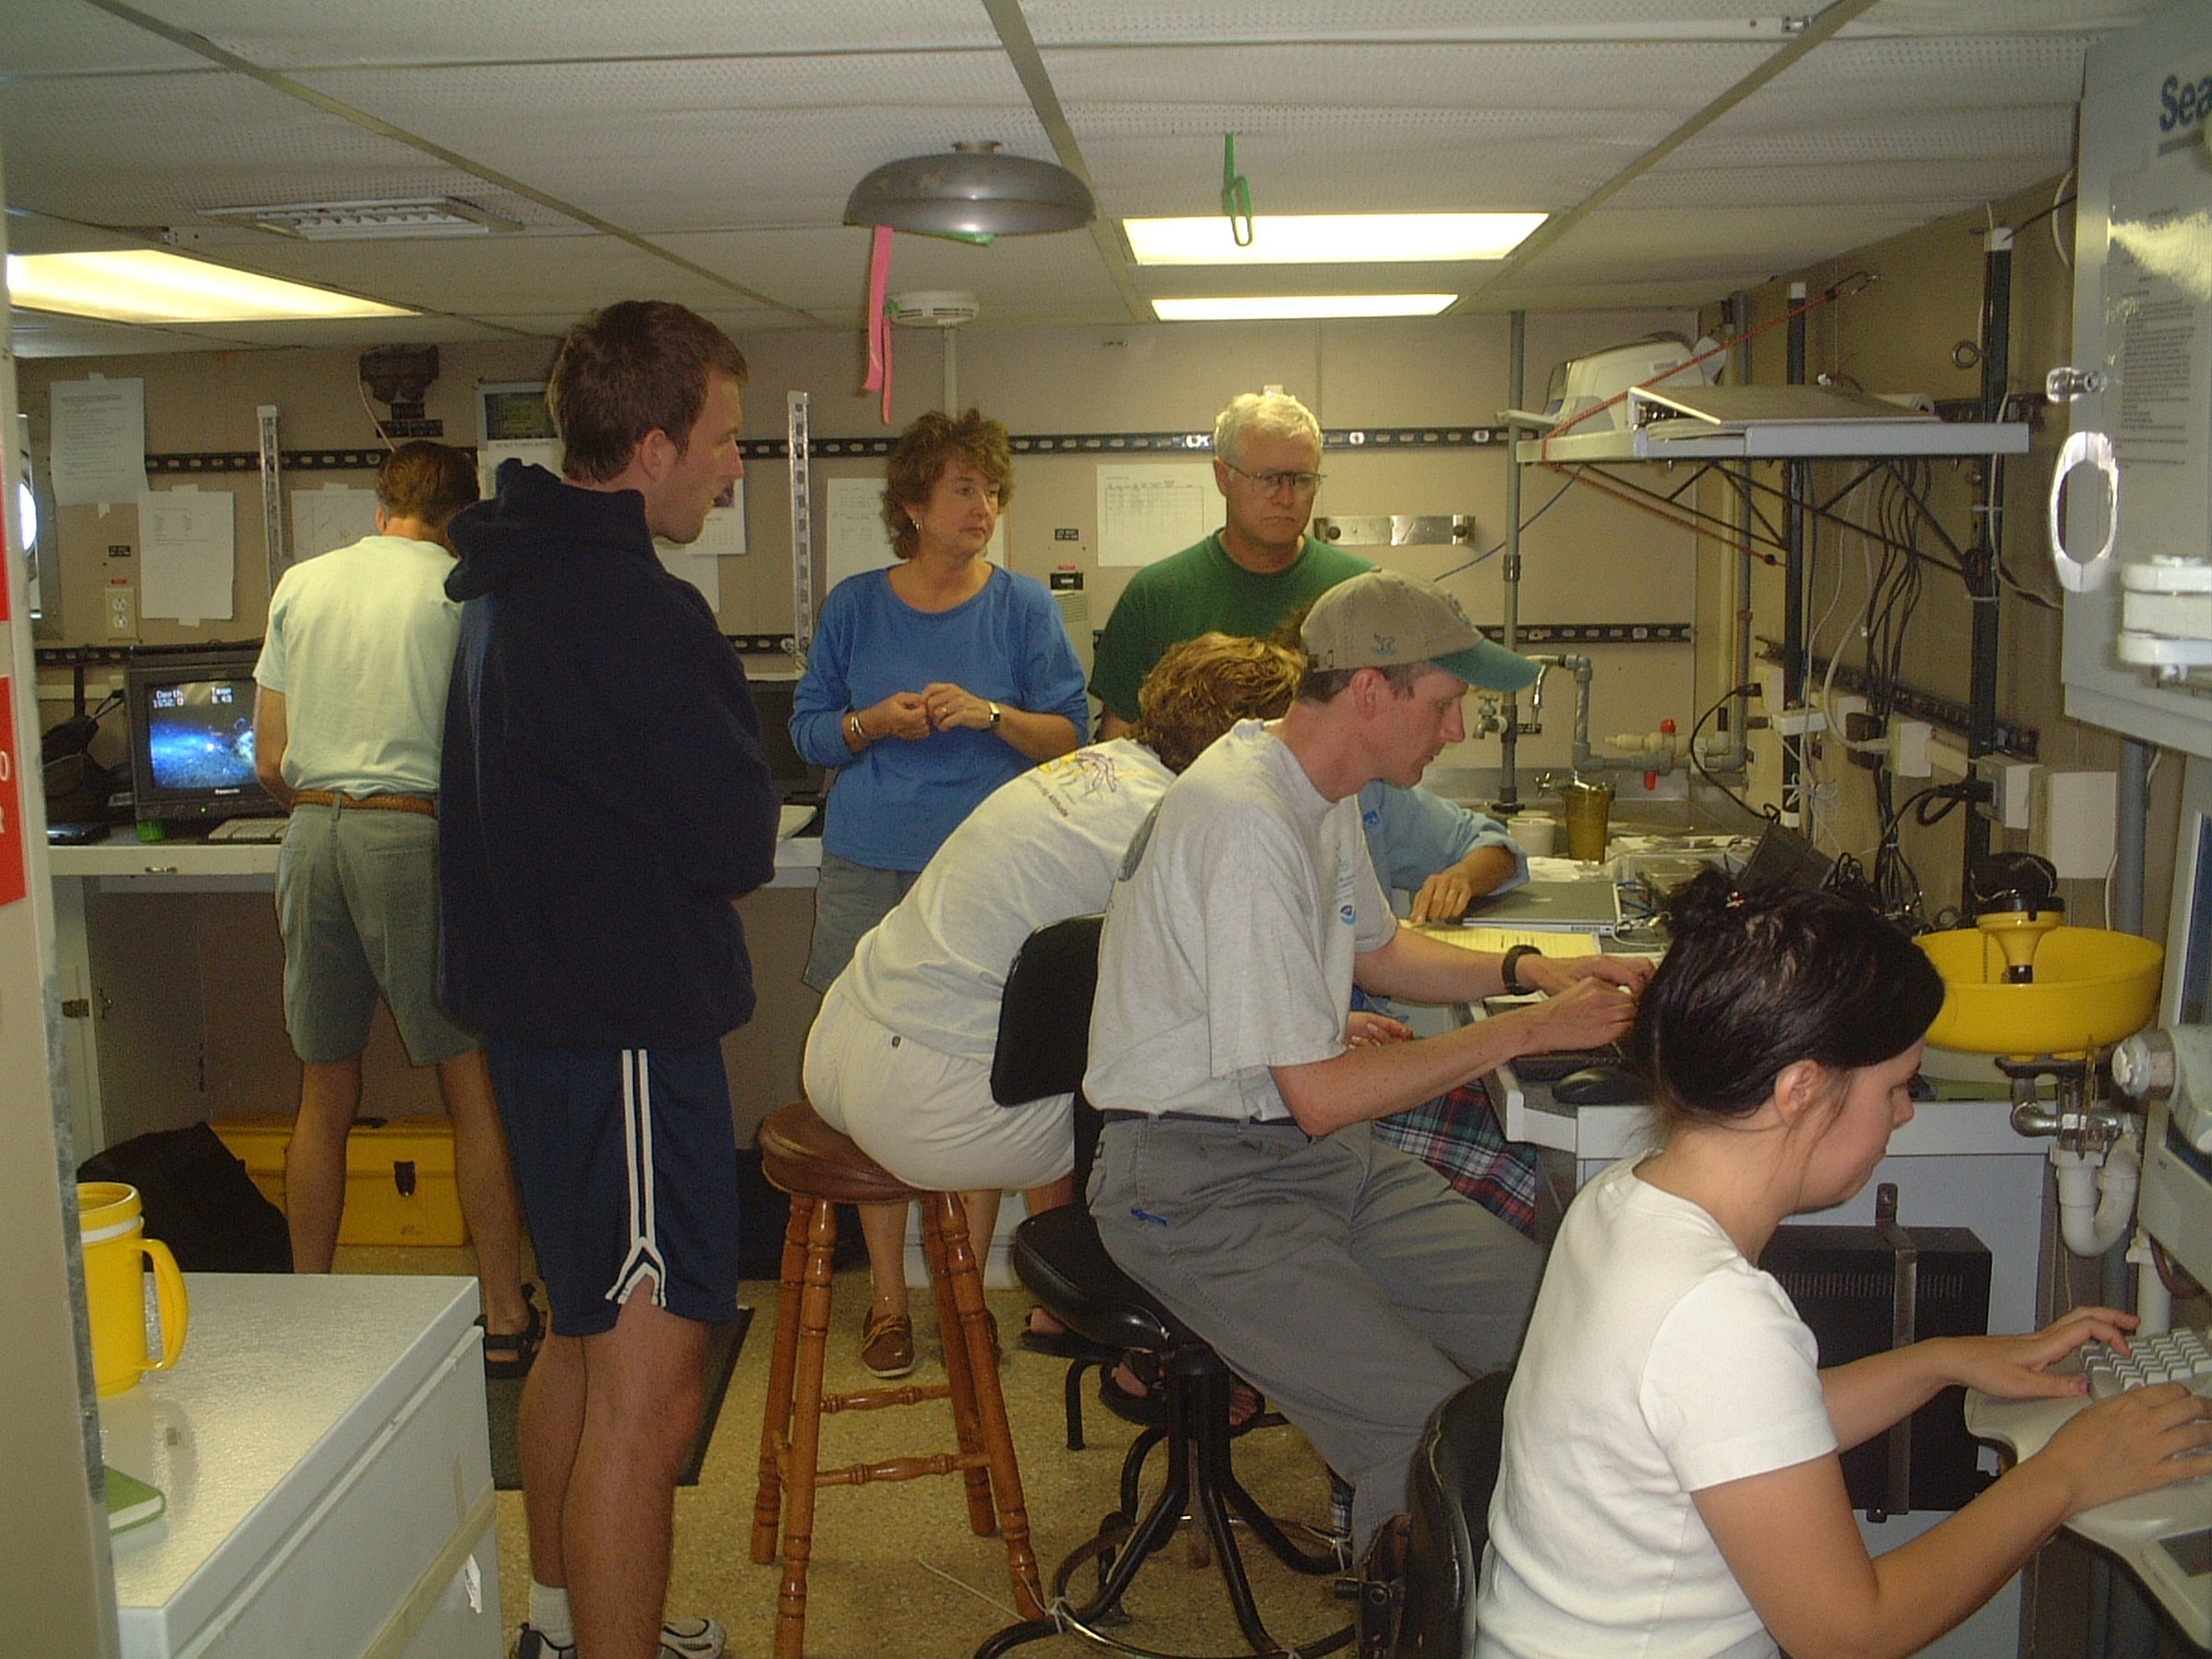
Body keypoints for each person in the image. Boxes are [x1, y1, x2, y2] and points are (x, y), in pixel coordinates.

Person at [1477, 872, 2212, 1659]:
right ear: (1800, 1089)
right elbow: (1853, 1633)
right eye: (1895, 1087)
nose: (1906, 1112)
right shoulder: (1714, 1312)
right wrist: (2065, 1474)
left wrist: (1941, 1361)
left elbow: (1746, 1431)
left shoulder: (1622, 1203)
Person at [1085, 569, 1653, 1551]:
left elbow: (1378, 950)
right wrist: (1522, 1031)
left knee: (1558, 1331)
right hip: (1192, 1187)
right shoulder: (1246, 817)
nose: (1457, 730)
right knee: (1425, 1435)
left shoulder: (1322, 787)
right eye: (1445, 704)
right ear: (1370, 692)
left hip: (1311, 1158)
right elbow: (1319, 1093)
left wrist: (1531, 972)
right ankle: (1425, 1596)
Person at [439, 300, 777, 1659]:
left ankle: (563, 1626)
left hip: (543, 1034)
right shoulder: (636, 609)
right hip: (625, 1041)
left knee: (580, 1345)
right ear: (652, 446)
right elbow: (736, 842)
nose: (733, 466)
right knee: (653, 1395)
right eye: (724, 439)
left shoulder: (503, 581)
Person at [803, 632, 1303, 1352]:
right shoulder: (1186, 818)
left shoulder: (1094, 766)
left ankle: (1094, 1320)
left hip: (839, 1045)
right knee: (1195, 1130)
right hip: (925, 1106)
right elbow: (1232, 998)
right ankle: (1156, 1340)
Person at [790, 406, 1090, 1379]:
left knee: (978, 1069)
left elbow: (1072, 735)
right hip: (872, 865)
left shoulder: (1024, 607)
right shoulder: (854, 606)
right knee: (864, 1072)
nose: (984, 506)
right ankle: (889, 1300)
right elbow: (809, 731)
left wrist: (994, 715)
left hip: (989, 875)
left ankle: (961, 1300)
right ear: (913, 505)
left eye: (992, 490)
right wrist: (872, 723)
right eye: (964, 489)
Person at [251, 440, 535, 1371]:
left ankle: (309, 1307)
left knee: (324, 1088)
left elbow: (268, 758)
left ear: (382, 510)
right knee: (468, 1083)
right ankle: (505, 1316)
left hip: (311, 835)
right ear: (461, 520)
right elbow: (494, 749)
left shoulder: (302, 585)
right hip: (410, 835)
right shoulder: (463, 593)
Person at [1089, 390, 1372, 738]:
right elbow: (1119, 741)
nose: (1286, 498)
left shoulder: (1360, 593)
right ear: (1223, 477)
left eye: (1301, 480)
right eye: (1268, 479)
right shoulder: (1155, 597)